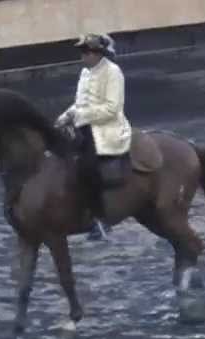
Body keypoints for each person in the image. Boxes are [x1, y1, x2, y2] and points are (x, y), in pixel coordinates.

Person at [55, 33, 132, 240]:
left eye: (86, 52)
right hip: (84, 123)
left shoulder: (112, 72)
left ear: (99, 53)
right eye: (82, 52)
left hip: (107, 128)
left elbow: (112, 108)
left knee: (87, 165)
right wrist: (66, 116)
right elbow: (80, 104)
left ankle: (101, 219)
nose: (83, 57)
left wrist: (79, 116)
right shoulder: (85, 73)